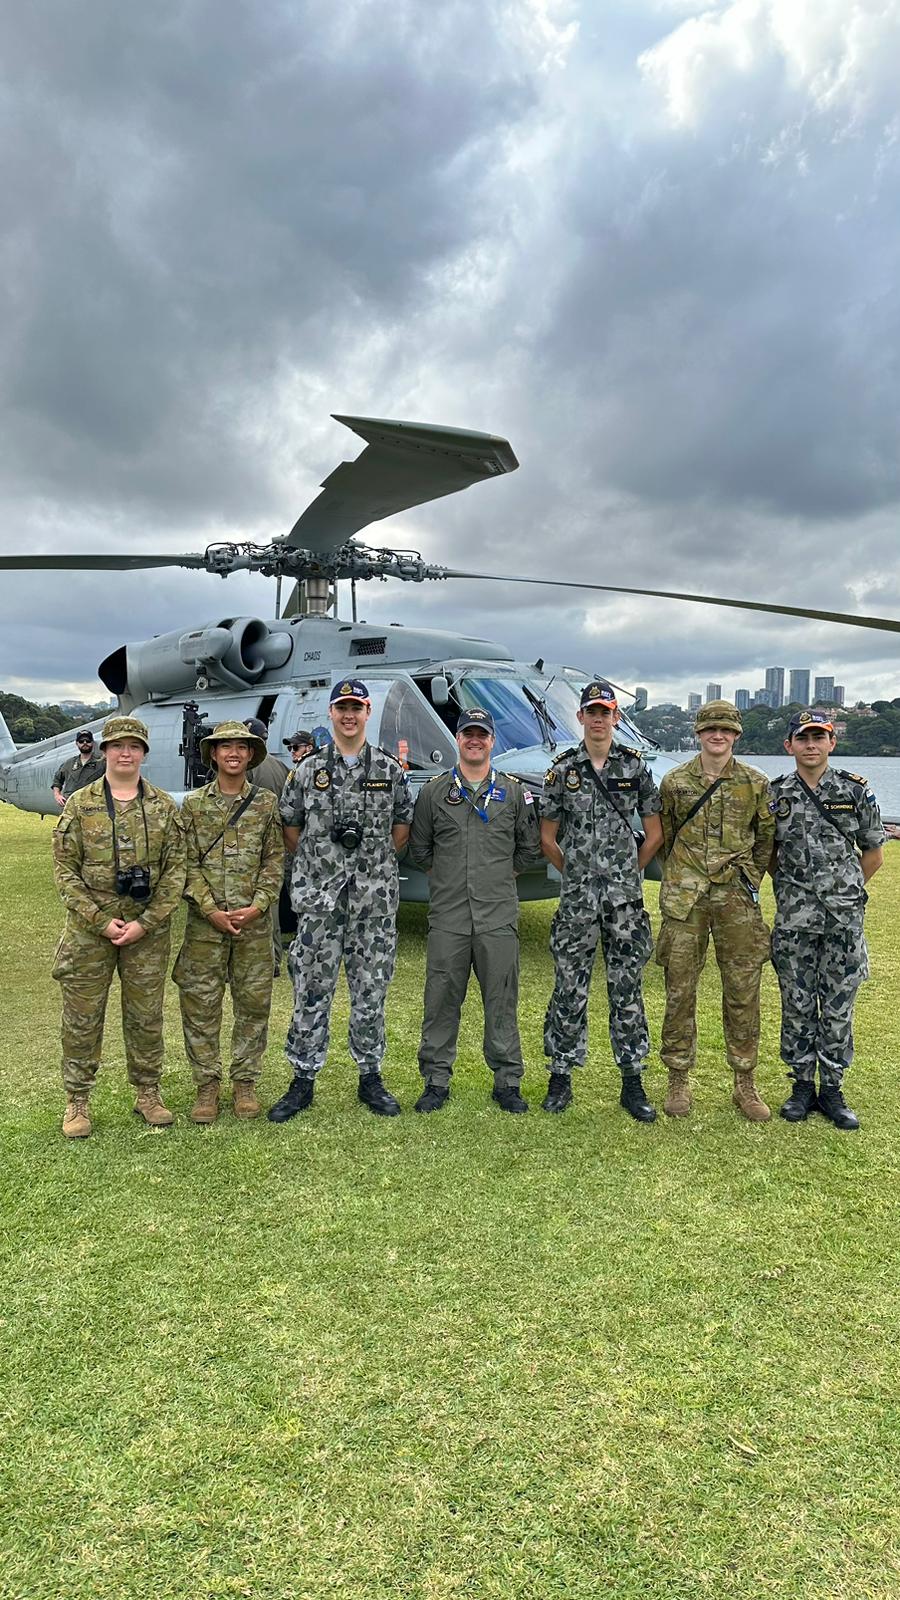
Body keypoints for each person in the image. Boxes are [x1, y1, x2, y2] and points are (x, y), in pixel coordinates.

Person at [269, 678, 413, 1121]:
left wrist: (369, 868)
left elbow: (401, 829)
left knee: (371, 991)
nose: (349, 715)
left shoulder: (389, 771)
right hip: (320, 902)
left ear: (368, 713)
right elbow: (290, 826)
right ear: (330, 714)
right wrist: (321, 866)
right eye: (341, 707)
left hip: (373, 902)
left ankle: (370, 1076)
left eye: (357, 707)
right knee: (311, 989)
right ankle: (302, 1079)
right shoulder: (307, 771)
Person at [51, 715, 186, 1137]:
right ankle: (78, 1100)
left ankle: (148, 1092)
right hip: (90, 931)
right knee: (82, 1016)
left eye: (133, 746)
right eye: (117, 745)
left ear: (144, 753)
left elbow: (176, 871)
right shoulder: (80, 803)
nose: (125, 753)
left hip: (146, 933)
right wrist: (99, 920)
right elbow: (64, 870)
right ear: (105, 751)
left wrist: (145, 923)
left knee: (145, 1015)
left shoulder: (163, 806)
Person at [407, 707, 542, 1113]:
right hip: (448, 917)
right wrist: (450, 879)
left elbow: (528, 849)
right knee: (441, 1000)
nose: (474, 740)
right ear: (458, 738)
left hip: (497, 917)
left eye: (481, 734)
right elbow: (420, 850)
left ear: (491, 741)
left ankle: (507, 1081)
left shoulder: (514, 793)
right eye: (468, 733)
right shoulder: (433, 792)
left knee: (502, 1000)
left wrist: (496, 879)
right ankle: (435, 1080)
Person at [540, 680, 663, 1119]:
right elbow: (547, 837)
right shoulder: (563, 770)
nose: (598, 718)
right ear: (580, 718)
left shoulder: (634, 767)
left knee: (626, 988)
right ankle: (560, 1076)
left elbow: (654, 834)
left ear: (615, 718)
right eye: (591, 711)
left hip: (624, 902)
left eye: (605, 711)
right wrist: (573, 871)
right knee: (568, 987)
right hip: (577, 901)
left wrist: (629, 870)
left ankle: (632, 1082)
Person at [656, 700, 774, 1120]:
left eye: (725, 729)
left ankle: (744, 1082)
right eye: (710, 729)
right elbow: (666, 836)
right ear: (699, 734)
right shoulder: (674, 782)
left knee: (743, 989)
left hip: (736, 900)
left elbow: (765, 841)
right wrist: (685, 874)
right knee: (680, 987)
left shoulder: (755, 783)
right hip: (685, 897)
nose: (717, 736)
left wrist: (747, 879)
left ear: (737, 735)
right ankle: (678, 1079)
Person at [768, 709, 884, 1130]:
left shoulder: (854, 790)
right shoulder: (776, 794)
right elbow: (770, 855)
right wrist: (796, 890)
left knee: (837, 1007)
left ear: (832, 743)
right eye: (803, 738)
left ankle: (832, 1089)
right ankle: (801, 1086)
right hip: (795, 921)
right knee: (796, 1005)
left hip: (842, 921)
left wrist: (842, 892)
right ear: (790, 746)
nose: (811, 744)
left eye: (820, 737)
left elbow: (873, 854)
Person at [174, 720, 285, 1123]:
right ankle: (206, 1085)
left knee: (253, 1006)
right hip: (206, 927)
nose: (234, 753)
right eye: (225, 747)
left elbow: (275, 859)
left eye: (241, 746)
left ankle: (245, 1083)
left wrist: (259, 904)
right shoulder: (193, 806)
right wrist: (210, 909)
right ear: (214, 755)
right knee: (201, 1006)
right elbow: (184, 863)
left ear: (251, 754)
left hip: (253, 925)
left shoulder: (267, 804)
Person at [244, 716, 291, 975]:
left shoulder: (245, 766)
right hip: (276, 842)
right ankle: (273, 959)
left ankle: (251, 959)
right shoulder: (281, 767)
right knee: (270, 903)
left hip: (249, 842)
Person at [52, 729, 106, 808]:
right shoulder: (69, 763)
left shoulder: (102, 762)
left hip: (93, 808)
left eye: (88, 741)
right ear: (77, 743)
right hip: (70, 807)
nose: (85, 743)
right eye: (81, 741)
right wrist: (57, 795)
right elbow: (57, 780)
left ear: (92, 743)